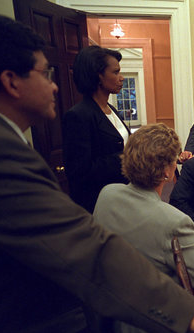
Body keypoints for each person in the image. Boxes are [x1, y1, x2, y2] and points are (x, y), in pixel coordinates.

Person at [0, 15, 194, 333]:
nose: (54, 85)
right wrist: (186, 309)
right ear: (11, 82)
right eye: (45, 73)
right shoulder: (10, 150)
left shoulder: (110, 124)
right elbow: (90, 245)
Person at [94, 123, 194, 333]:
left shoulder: (107, 194)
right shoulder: (173, 220)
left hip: (110, 315)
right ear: (167, 171)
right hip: (157, 325)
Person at [62, 45, 130, 213]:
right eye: (115, 72)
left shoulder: (111, 109)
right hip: (99, 204)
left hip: (123, 197)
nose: (121, 78)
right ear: (98, 76)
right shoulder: (78, 115)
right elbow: (79, 171)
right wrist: (126, 156)